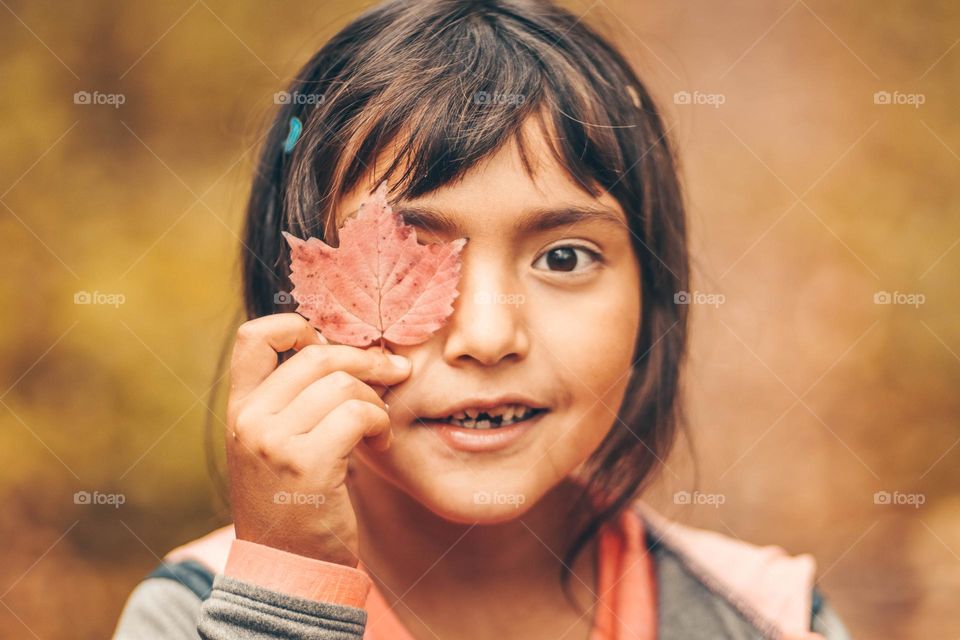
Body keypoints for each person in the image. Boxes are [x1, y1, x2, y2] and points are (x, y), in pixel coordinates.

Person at [113, 0, 852, 637]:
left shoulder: (765, 617)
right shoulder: (195, 617)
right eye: (404, 256)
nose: (490, 337)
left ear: (653, 295)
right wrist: (286, 593)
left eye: (564, 258)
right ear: (291, 294)